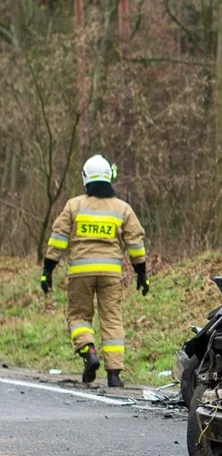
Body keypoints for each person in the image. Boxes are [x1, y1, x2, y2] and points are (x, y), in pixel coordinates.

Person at [39, 154, 149, 388]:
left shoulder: (74, 205)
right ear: (110, 177)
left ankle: (88, 350)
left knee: (79, 316)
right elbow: (135, 243)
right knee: (111, 318)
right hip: (110, 273)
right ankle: (114, 374)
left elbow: (58, 239)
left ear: (85, 179)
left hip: (81, 273)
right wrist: (142, 273)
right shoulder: (122, 208)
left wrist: (47, 270)